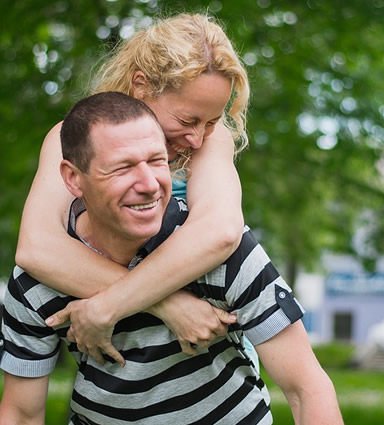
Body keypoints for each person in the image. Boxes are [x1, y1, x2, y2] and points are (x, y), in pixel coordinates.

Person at [0, 92, 344, 425]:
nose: (149, 184)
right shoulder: (36, 283)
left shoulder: (225, 256)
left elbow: (306, 389)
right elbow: (21, 414)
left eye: (156, 160)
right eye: (123, 168)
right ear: (74, 178)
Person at [15, 12, 260, 367]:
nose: (196, 137)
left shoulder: (211, 138)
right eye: (187, 119)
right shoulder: (71, 137)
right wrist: (168, 303)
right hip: (117, 370)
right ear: (141, 85)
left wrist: (108, 305)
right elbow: (37, 248)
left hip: (210, 363)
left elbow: (220, 232)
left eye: (211, 120)